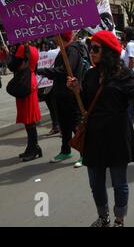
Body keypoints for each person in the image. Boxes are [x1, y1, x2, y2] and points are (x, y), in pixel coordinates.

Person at [67, 30, 134, 227]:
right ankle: (103, 217)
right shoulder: (90, 74)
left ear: (108, 51)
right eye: (90, 48)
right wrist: (77, 91)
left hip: (117, 136)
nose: (91, 52)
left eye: (96, 49)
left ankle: (119, 220)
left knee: (119, 184)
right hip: (94, 137)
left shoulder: (125, 75)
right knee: (96, 183)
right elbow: (85, 104)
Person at [37, 32, 83, 167]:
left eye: (56, 37)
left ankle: (84, 153)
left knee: (76, 125)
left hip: (70, 94)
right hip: (60, 93)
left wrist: (44, 71)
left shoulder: (72, 50)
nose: (54, 40)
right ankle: (65, 150)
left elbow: (65, 70)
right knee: (64, 124)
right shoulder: (63, 50)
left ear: (62, 38)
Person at [8, 43, 42, 161]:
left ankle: (33, 148)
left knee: (29, 119)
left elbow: (13, 66)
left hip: (24, 82)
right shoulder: (33, 48)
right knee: (29, 118)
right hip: (29, 80)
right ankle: (32, 147)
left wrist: (9, 55)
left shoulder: (22, 48)